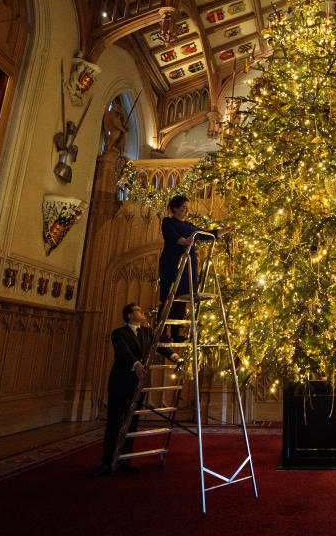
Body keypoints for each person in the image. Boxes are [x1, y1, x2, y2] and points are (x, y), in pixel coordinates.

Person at [157, 196, 235, 355]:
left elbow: (208, 234)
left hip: (189, 266)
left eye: (187, 207)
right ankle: (162, 332)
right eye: (184, 207)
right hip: (173, 263)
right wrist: (184, 241)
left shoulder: (190, 226)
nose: (187, 210)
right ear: (175, 208)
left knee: (184, 298)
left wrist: (226, 230)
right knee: (170, 297)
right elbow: (172, 236)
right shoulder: (168, 222)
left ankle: (177, 334)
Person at [92, 302, 151, 477]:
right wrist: (137, 364)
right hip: (120, 385)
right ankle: (107, 463)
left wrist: (175, 356)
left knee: (132, 424)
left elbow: (159, 346)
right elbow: (124, 352)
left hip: (138, 386)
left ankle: (125, 460)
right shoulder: (119, 333)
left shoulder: (147, 332)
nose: (142, 312)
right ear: (129, 316)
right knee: (114, 424)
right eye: (138, 310)